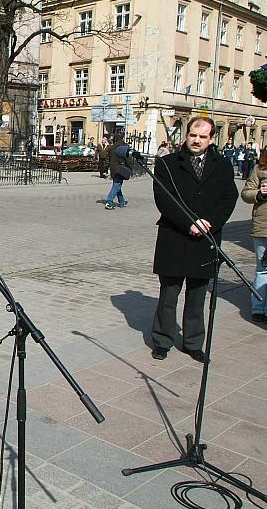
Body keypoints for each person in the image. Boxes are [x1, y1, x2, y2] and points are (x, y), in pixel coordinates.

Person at [150, 116, 238, 362]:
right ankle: (162, 340)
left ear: (211, 139)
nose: (196, 141)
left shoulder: (222, 166)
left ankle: (193, 342)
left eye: (202, 137)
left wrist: (209, 221)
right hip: (175, 236)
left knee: (198, 294)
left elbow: (228, 198)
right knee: (169, 293)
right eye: (193, 135)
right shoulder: (167, 164)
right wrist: (189, 223)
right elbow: (164, 199)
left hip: (206, 238)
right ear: (186, 135)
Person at [240, 148, 267, 322]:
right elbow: (246, 193)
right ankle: (259, 307)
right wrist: (259, 193)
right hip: (263, 226)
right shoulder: (260, 168)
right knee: (263, 269)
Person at [104, 132, 130, 209]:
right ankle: (109, 202)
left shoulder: (111, 147)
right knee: (117, 185)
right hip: (121, 168)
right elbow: (127, 158)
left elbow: (107, 159)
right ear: (123, 138)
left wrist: (106, 169)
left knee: (117, 184)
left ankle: (122, 201)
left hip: (113, 168)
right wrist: (130, 167)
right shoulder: (125, 146)